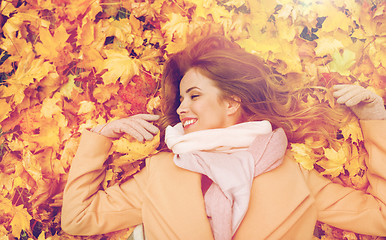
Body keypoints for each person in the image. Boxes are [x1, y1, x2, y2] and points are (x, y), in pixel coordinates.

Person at [61, 35, 386, 239]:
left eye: (194, 95)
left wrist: (374, 119)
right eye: (181, 98)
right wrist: (102, 137)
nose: (181, 107)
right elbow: (78, 219)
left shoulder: (295, 176)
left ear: (232, 102)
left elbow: (381, 219)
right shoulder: (159, 173)